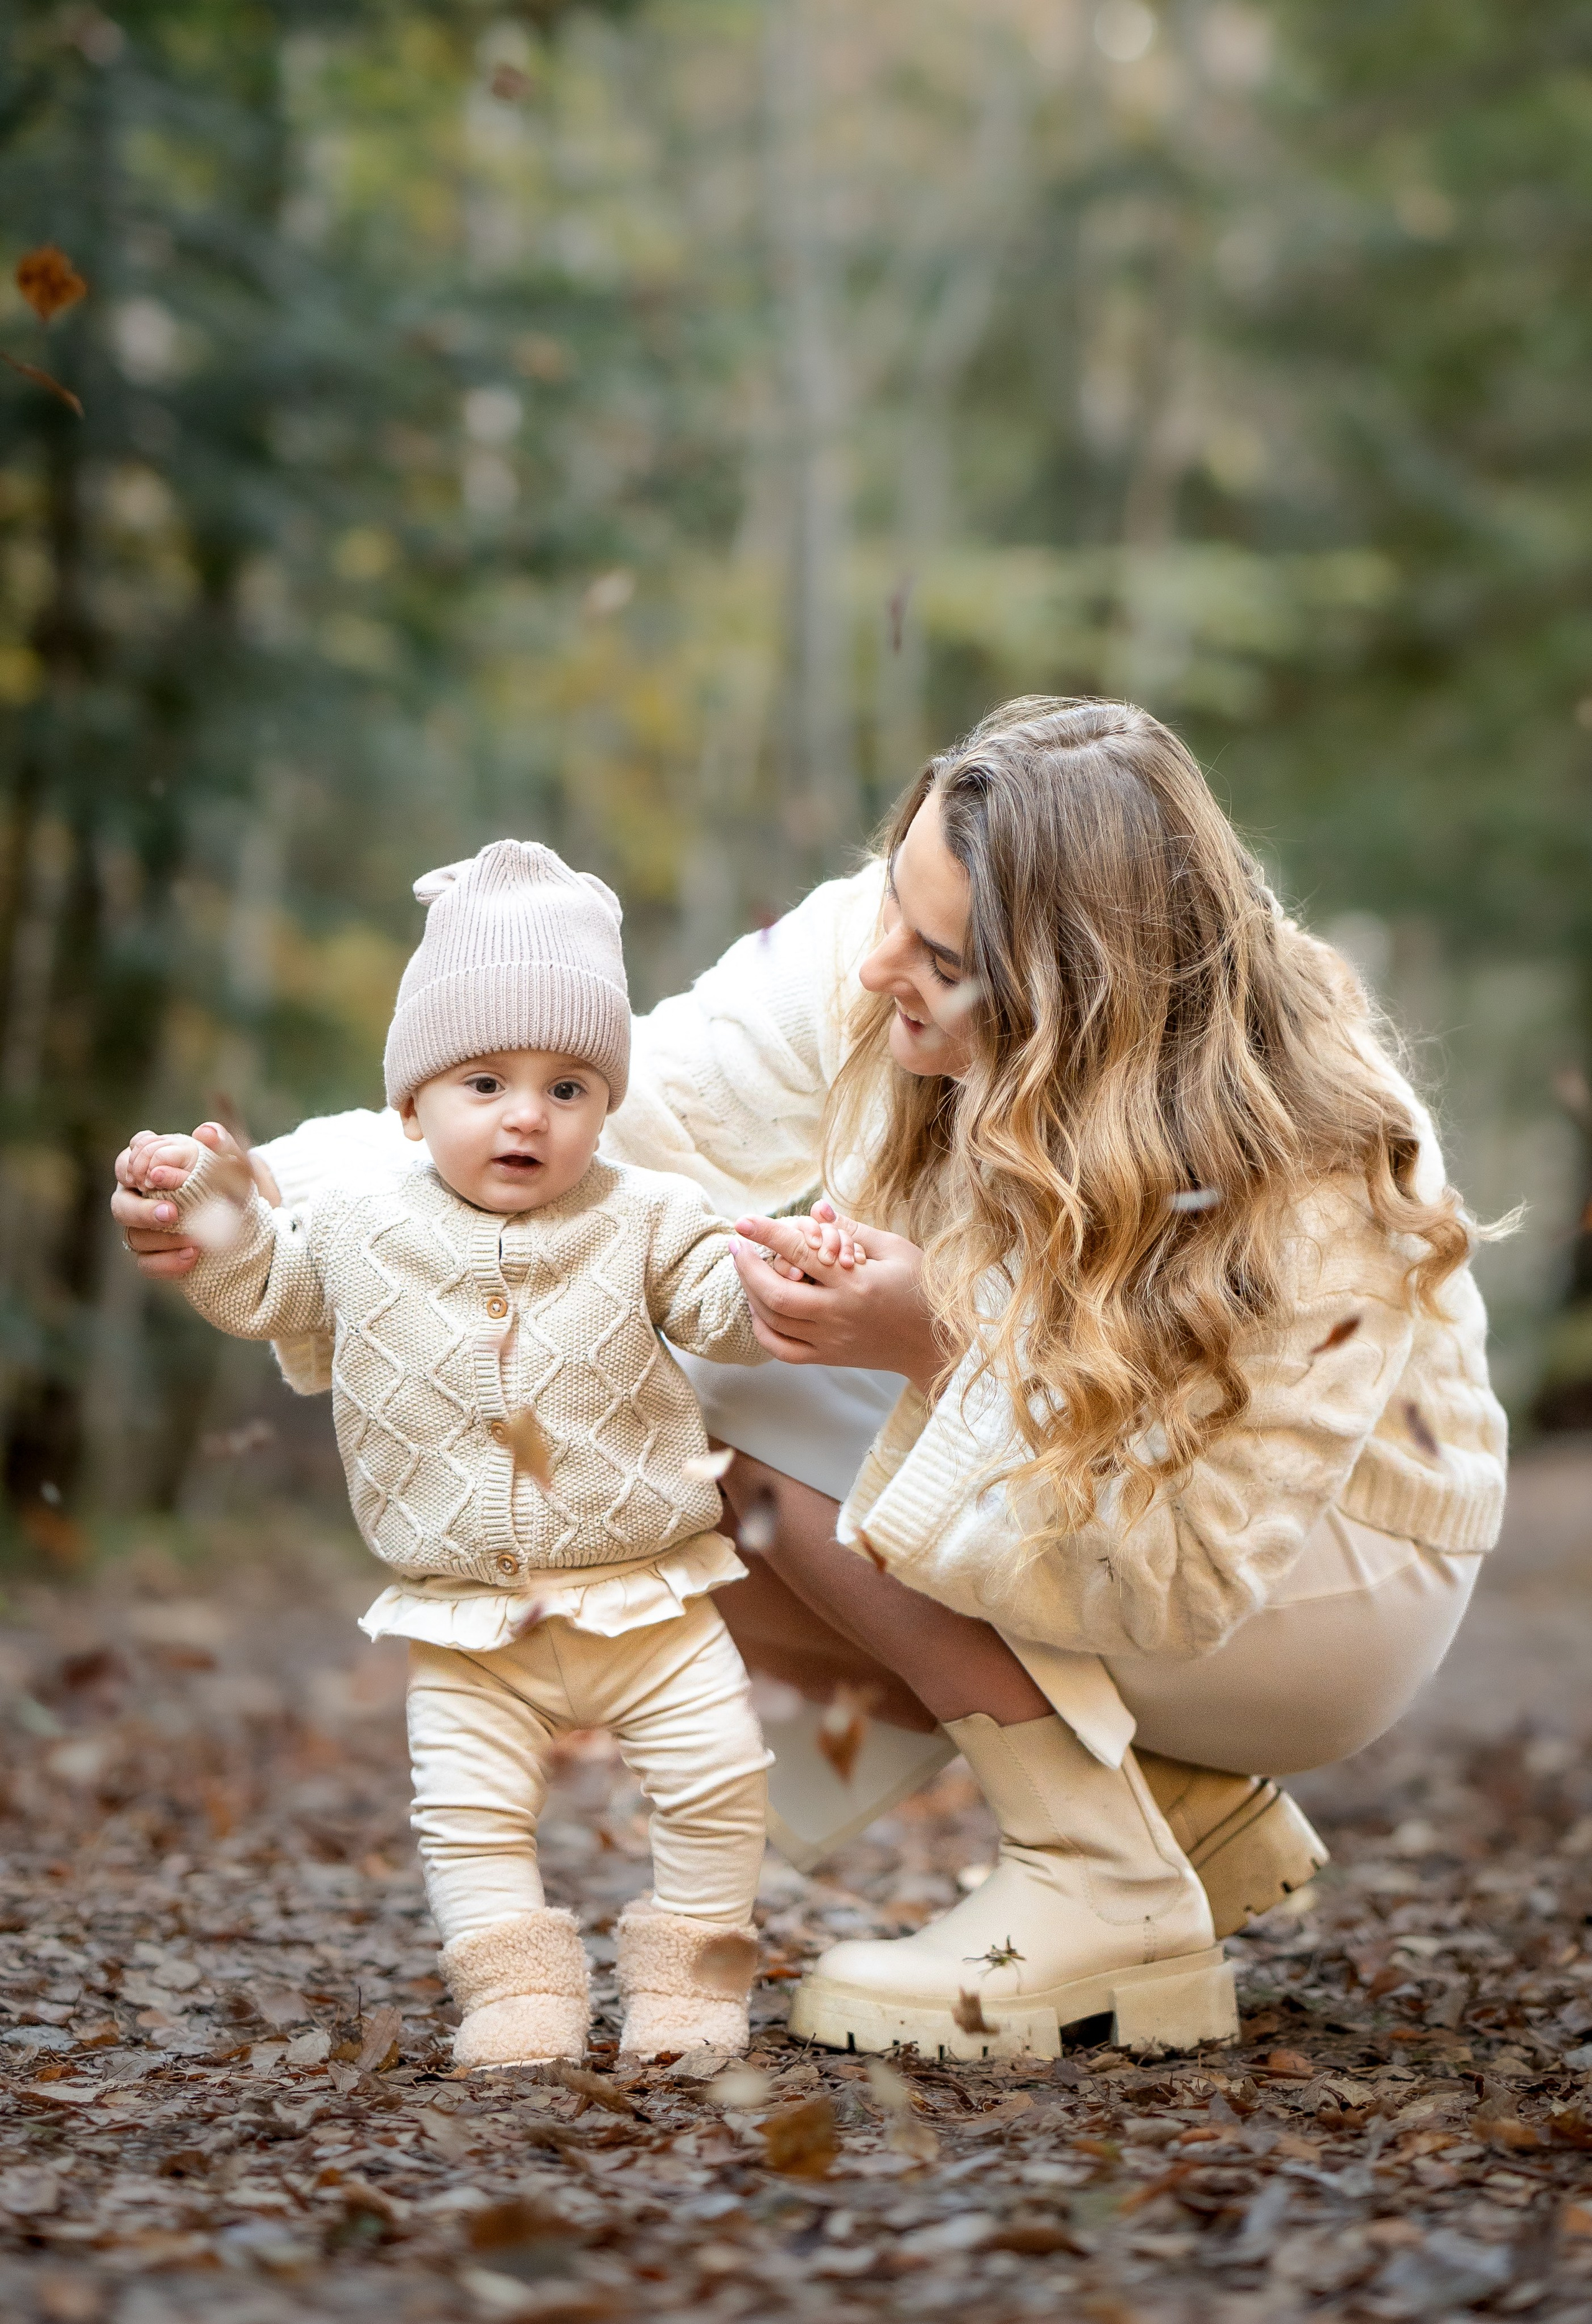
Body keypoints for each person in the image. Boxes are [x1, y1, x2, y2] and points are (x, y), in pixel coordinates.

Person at [115, 696, 1508, 2061]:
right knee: (648, 1350)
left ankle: (1101, 1876)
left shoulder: (1307, 1149)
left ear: (1072, 998)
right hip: (1100, 1504)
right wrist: (255, 1202)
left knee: (729, 1394)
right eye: (889, 902)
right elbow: (591, 1130)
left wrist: (939, 1339)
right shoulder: (887, 937)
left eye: (938, 954)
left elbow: (1187, 1568)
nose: (874, 960)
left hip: (1311, 1589)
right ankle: (1170, 1809)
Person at [121, 840, 774, 2070]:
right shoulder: (360, 1222)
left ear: (602, 1106)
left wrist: (784, 1275)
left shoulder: (648, 1217)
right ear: (411, 1103)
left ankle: (688, 1984)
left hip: (647, 1597)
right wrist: (202, 1205)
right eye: (484, 1081)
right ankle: (515, 1992)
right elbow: (268, 1281)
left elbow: (717, 1301)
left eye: (568, 1087)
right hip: (466, 1615)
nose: (527, 1113)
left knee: (715, 1781)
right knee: (469, 1819)